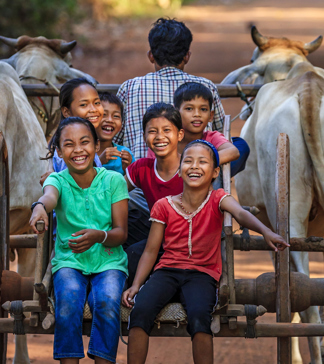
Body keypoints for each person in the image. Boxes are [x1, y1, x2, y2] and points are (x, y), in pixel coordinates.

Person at [122, 140, 289, 364]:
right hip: (166, 271)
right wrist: (136, 285)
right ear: (179, 171)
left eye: (202, 162)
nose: (194, 166)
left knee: (200, 317)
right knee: (140, 311)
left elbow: (240, 214)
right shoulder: (164, 205)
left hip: (202, 275)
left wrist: (266, 231)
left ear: (215, 172)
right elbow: (151, 251)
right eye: (188, 161)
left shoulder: (218, 198)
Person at [30, 117, 129, 364]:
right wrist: (40, 207)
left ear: (97, 146)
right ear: (60, 153)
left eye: (85, 142)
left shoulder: (113, 181)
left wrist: (99, 236)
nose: (78, 150)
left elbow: (121, 233)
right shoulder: (58, 180)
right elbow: (50, 196)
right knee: (68, 302)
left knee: (107, 303)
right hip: (69, 261)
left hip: (109, 262)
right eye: (69, 144)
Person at [115, 17, 225, 160]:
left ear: (151, 56)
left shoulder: (129, 88)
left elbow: (114, 138)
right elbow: (220, 132)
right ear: (187, 56)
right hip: (195, 175)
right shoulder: (206, 87)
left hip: (138, 177)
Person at [124, 102, 184, 285]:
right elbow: (114, 194)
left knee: (134, 256)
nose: (160, 137)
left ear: (180, 134)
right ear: (144, 137)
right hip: (156, 235)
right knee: (126, 239)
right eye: (152, 131)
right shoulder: (141, 168)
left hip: (185, 241)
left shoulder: (190, 168)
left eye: (167, 130)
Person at [174, 82, 250, 177]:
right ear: (176, 113)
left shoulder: (212, 137)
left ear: (211, 116)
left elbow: (233, 151)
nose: (197, 114)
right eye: (189, 109)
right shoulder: (171, 138)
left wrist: (202, 163)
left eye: (203, 109)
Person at [40, 77, 104, 185]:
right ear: (66, 112)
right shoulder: (71, 152)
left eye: (97, 103)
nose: (93, 109)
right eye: (83, 105)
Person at [96, 92, 135, 175]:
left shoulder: (124, 154)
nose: (110, 120)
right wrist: (98, 162)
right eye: (103, 115)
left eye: (116, 116)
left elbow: (133, 184)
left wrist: (127, 169)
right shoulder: (85, 152)